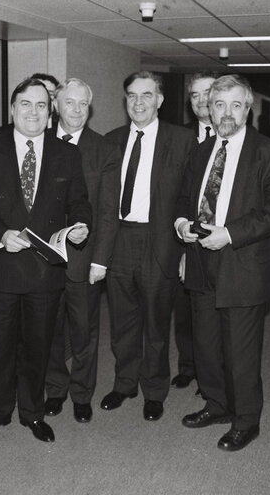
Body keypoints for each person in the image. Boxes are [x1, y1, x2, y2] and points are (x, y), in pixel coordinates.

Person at [0, 78, 91, 443]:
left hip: (43, 272)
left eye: (40, 105)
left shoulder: (67, 153)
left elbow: (79, 202)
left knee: (38, 347)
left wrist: (81, 226)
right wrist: (1, 234)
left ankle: (33, 413)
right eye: (25, 104)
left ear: (50, 111)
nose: (32, 112)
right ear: (12, 108)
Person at [175, 74, 270, 451]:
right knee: (206, 347)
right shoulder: (200, 151)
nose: (227, 112)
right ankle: (216, 404)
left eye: (236, 105)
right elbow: (183, 199)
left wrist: (229, 232)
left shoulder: (269, 152)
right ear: (210, 107)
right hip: (199, 263)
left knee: (240, 352)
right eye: (219, 104)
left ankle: (246, 420)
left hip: (243, 265)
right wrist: (180, 224)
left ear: (248, 110)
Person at [100, 71, 195, 422]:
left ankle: (154, 390)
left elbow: (190, 196)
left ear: (159, 100)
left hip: (161, 242)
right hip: (119, 240)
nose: (138, 103)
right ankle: (124, 383)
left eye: (146, 95)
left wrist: (187, 248)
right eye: (131, 96)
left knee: (156, 322)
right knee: (122, 321)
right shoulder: (110, 141)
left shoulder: (182, 141)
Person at [43, 78, 120, 423]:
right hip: (42, 258)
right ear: (56, 105)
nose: (76, 110)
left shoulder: (103, 150)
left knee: (84, 331)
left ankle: (81, 394)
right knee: (48, 329)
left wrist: (100, 260)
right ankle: (55, 390)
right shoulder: (37, 142)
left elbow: (107, 210)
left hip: (84, 259)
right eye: (69, 103)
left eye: (83, 104)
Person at [173, 71, 218, 391]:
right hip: (182, 236)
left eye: (207, 93)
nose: (201, 101)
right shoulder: (178, 136)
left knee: (214, 316)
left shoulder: (238, 136)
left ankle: (211, 373)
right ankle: (187, 366)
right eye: (195, 96)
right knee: (185, 311)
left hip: (220, 241)